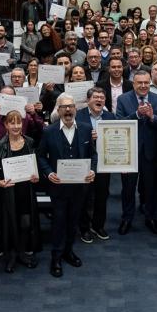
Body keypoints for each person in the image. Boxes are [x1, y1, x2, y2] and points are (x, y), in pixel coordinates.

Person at [37, 94, 96, 277]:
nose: (68, 110)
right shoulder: (49, 131)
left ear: (76, 109)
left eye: (71, 106)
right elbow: (40, 156)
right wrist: (49, 173)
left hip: (79, 186)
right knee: (59, 222)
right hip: (58, 187)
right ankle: (56, 256)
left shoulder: (86, 129)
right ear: (58, 110)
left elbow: (93, 155)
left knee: (73, 222)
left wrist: (93, 170)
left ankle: (68, 251)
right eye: (64, 107)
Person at [115, 70, 157, 235]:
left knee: (150, 188)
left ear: (150, 82)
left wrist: (153, 117)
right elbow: (118, 123)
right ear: (133, 84)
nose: (143, 86)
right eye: (140, 83)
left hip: (151, 153)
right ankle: (127, 219)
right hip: (129, 152)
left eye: (146, 82)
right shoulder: (123, 99)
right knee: (128, 189)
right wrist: (137, 114)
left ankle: (151, 218)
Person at [0, 110, 42, 272]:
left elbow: (35, 167)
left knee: (26, 223)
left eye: (18, 122)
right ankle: (12, 255)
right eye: (12, 123)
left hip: (26, 190)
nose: (16, 126)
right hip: (8, 192)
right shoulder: (0, 145)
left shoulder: (30, 141)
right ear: (6, 125)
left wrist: (36, 177)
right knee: (10, 223)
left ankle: (21, 252)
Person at [75, 88, 115, 242]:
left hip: (105, 163)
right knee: (84, 196)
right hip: (84, 162)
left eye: (102, 97)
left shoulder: (110, 117)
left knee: (102, 196)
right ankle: (84, 227)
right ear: (88, 100)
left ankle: (98, 225)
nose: (99, 100)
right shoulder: (79, 115)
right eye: (96, 97)